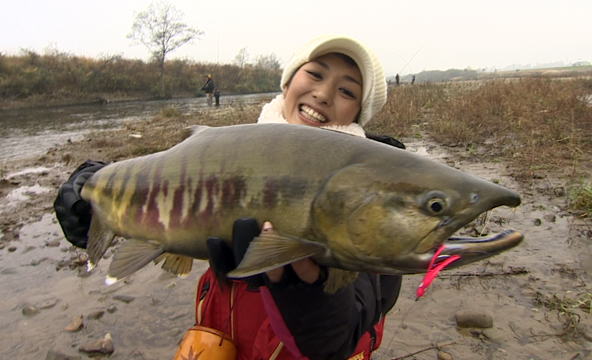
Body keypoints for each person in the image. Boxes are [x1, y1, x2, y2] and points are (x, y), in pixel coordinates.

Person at [54, 34, 405, 360]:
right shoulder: (224, 153)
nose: (324, 93)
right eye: (314, 74)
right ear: (287, 84)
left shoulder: (378, 207)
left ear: (359, 114)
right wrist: (92, 181)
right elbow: (161, 171)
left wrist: (304, 288)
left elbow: (339, 337)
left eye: (347, 91)